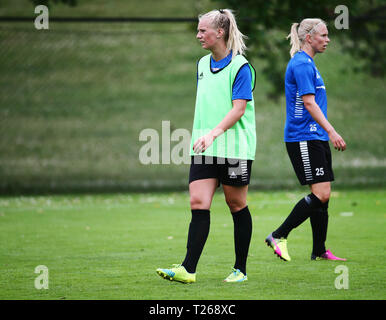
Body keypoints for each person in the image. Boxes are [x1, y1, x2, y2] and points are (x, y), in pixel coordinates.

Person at [156, 9, 256, 283]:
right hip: (204, 147)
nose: (198, 35)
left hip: (234, 148)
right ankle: (188, 269)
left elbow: (238, 110)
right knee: (198, 202)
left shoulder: (240, 67)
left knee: (236, 204)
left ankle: (240, 270)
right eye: (198, 30)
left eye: (203, 30)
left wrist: (214, 133)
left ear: (219, 33)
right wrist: (206, 137)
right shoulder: (202, 64)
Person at [265, 18, 347, 262]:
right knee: (320, 194)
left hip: (315, 136)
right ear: (309, 38)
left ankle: (319, 250)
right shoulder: (301, 64)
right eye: (323, 35)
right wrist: (332, 131)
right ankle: (278, 235)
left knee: (324, 194)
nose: (327, 39)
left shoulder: (309, 64)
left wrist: (325, 133)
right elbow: (309, 103)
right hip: (303, 137)